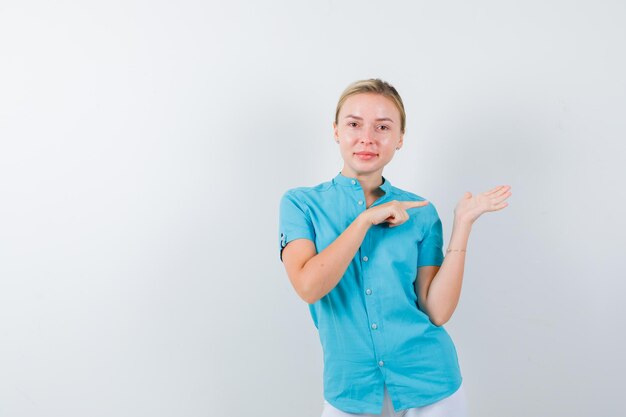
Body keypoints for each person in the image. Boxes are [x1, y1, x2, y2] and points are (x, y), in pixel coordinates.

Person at [278, 79, 511, 417]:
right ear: (336, 131)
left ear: (400, 138)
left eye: (383, 127)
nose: (367, 137)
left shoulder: (420, 212)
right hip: (351, 390)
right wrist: (364, 221)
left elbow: (437, 311)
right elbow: (309, 286)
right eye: (354, 124)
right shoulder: (301, 204)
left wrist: (462, 226)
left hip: (432, 386)